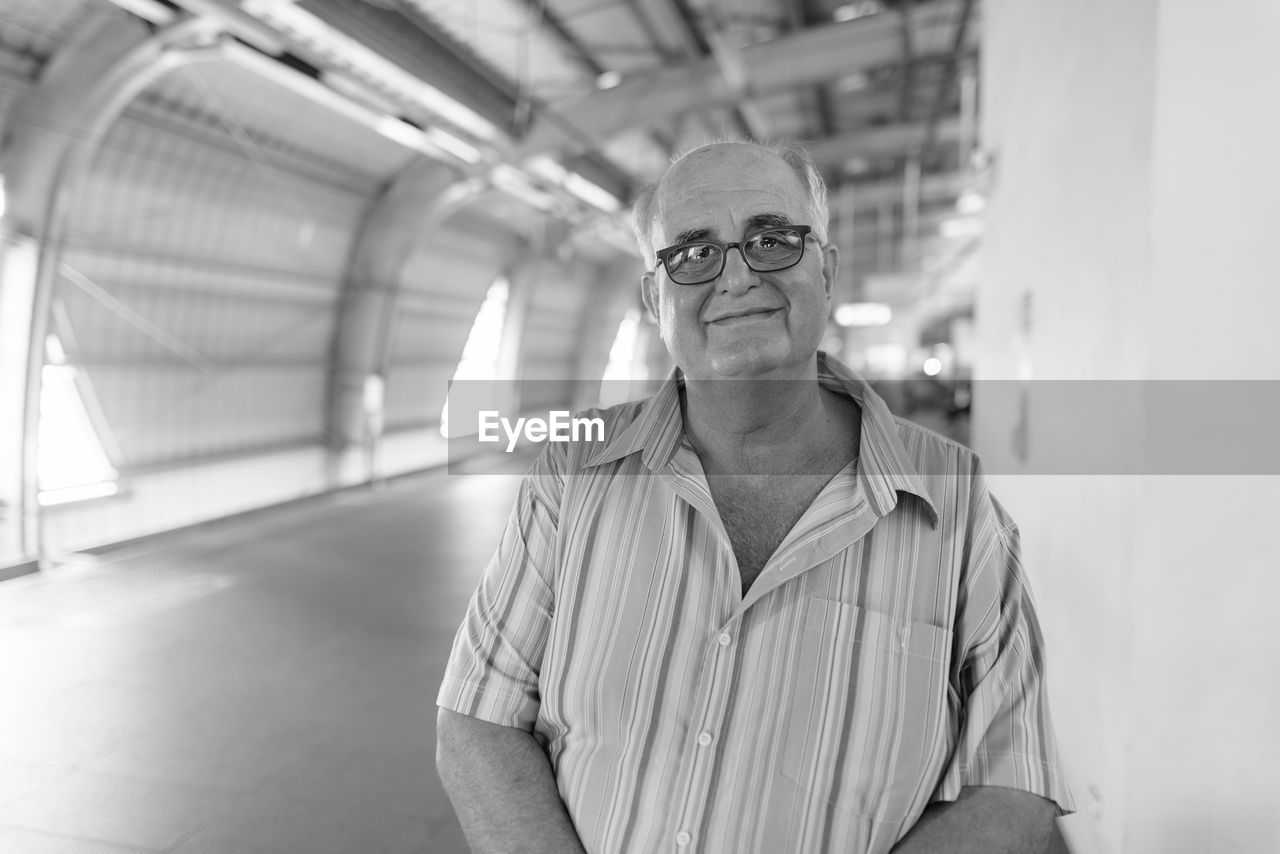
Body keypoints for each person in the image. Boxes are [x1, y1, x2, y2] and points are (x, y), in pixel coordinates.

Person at [436, 140, 1074, 853]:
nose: (736, 277)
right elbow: (478, 720)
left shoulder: (955, 507)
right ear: (655, 297)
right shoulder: (572, 478)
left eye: (771, 240)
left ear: (826, 269)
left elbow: (1015, 787)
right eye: (693, 253)